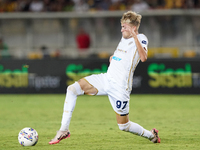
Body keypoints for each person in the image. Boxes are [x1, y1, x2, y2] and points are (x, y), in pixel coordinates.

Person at [49, 11, 161, 145]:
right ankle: (63, 130)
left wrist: (134, 36)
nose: (121, 30)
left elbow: (143, 57)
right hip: (106, 79)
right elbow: (123, 56)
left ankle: (151, 136)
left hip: (120, 88)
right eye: (122, 26)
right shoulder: (123, 39)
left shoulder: (141, 37)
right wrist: (114, 59)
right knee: (72, 89)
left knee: (124, 126)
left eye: (124, 27)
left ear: (133, 28)